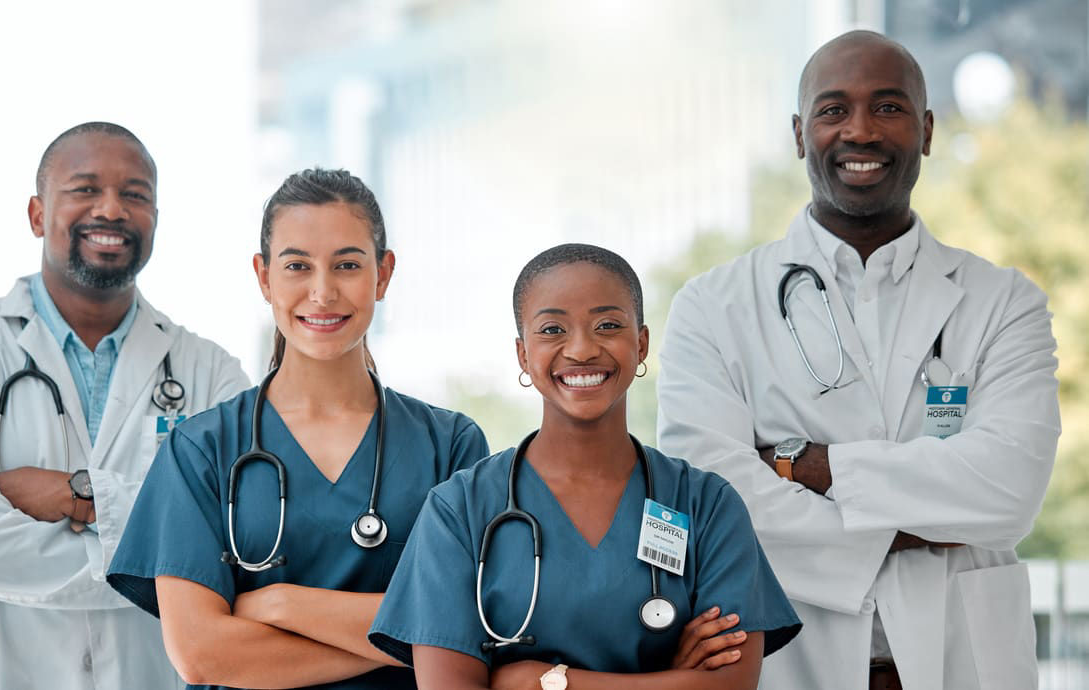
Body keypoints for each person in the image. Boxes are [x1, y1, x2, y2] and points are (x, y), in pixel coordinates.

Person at [657, 30, 1060, 690]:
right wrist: (917, 524)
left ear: (926, 130)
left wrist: (803, 465)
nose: (860, 131)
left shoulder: (1002, 301)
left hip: (965, 663)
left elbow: (1008, 492)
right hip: (792, 663)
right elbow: (718, 505)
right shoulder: (713, 306)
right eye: (832, 109)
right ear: (797, 134)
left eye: (888, 107)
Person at [0, 122, 251, 690]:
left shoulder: (210, 372)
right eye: (85, 189)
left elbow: (241, 537)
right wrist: (164, 564)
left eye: (135, 194)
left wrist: (77, 493)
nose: (111, 209)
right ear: (38, 214)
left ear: (155, 219)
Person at [105, 168, 489, 689]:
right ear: (264, 277)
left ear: (383, 273)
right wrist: (405, 642)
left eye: (347, 265)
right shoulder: (201, 451)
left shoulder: (450, 446)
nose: (323, 291)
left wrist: (281, 604)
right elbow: (201, 654)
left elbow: (473, 627)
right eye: (297, 266)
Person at [370, 244, 800, 689]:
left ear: (642, 342)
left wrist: (538, 681)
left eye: (608, 325)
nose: (581, 349)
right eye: (553, 329)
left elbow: (731, 684)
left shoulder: (707, 504)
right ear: (522, 354)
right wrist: (672, 679)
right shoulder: (459, 510)